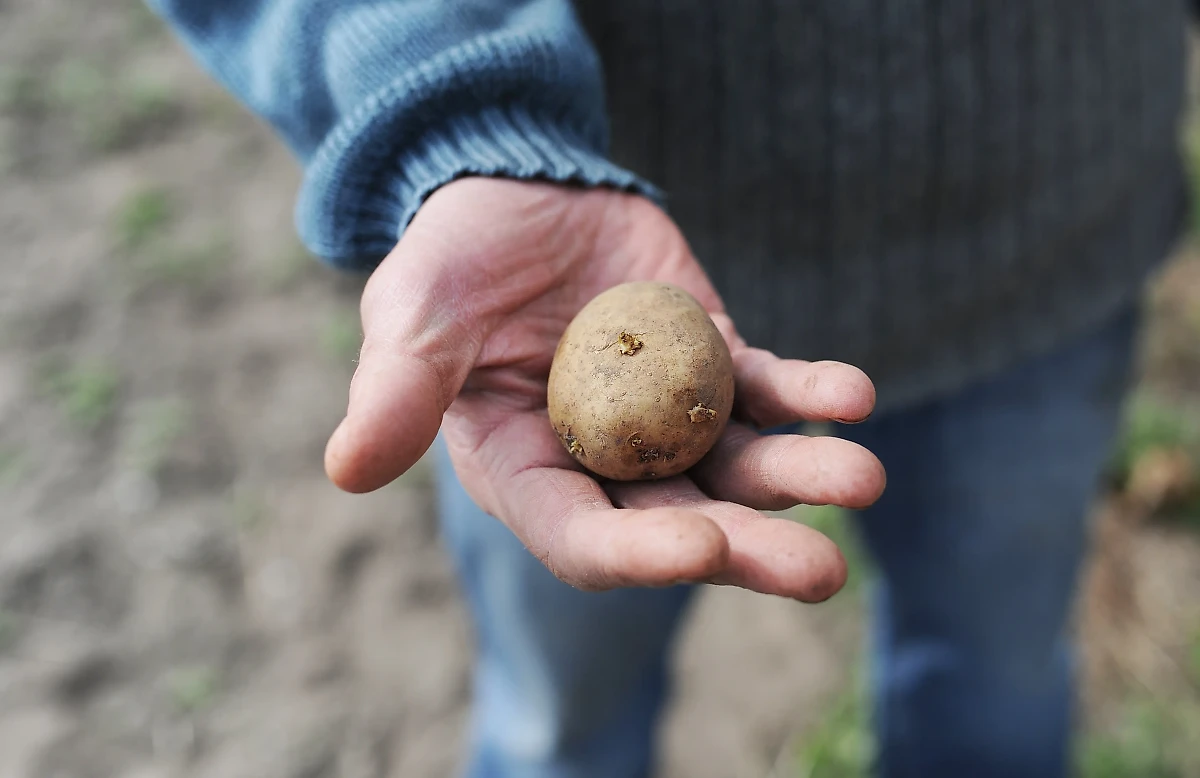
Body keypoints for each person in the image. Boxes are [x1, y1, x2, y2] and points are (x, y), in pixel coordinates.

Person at [148, 1, 1192, 776]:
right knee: (559, 728)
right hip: (571, 234)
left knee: (993, 706)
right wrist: (461, 120)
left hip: (1050, 246)